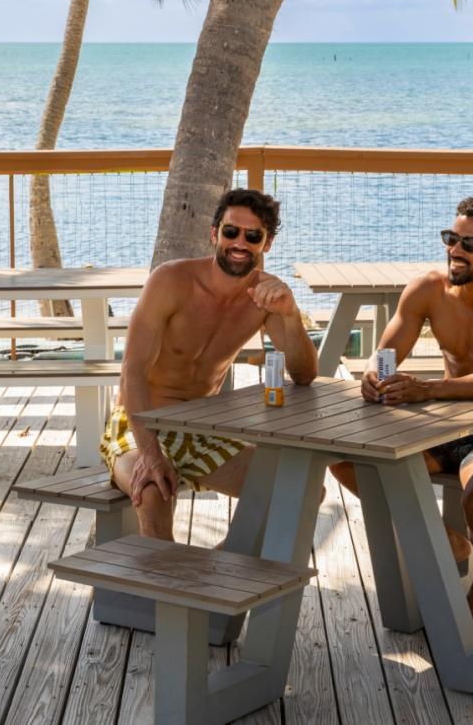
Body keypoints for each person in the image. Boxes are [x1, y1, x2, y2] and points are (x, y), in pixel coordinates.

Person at [330, 195, 473, 630]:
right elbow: (385, 352)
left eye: (470, 243)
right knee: (342, 460)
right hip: (436, 430)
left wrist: (427, 388)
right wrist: (374, 374)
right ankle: (446, 540)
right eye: (451, 238)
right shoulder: (427, 288)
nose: (455, 250)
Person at [102, 188, 318, 540]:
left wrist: (291, 314)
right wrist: (151, 453)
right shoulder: (171, 280)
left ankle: (216, 574)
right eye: (231, 231)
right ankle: (167, 590)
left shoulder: (264, 297)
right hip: (138, 421)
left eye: (253, 236)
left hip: (200, 427)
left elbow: (305, 375)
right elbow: (133, 372)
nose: (240, 243)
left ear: (267, 244)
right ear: (214, 233)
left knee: (301, 491)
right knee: (153, 491)